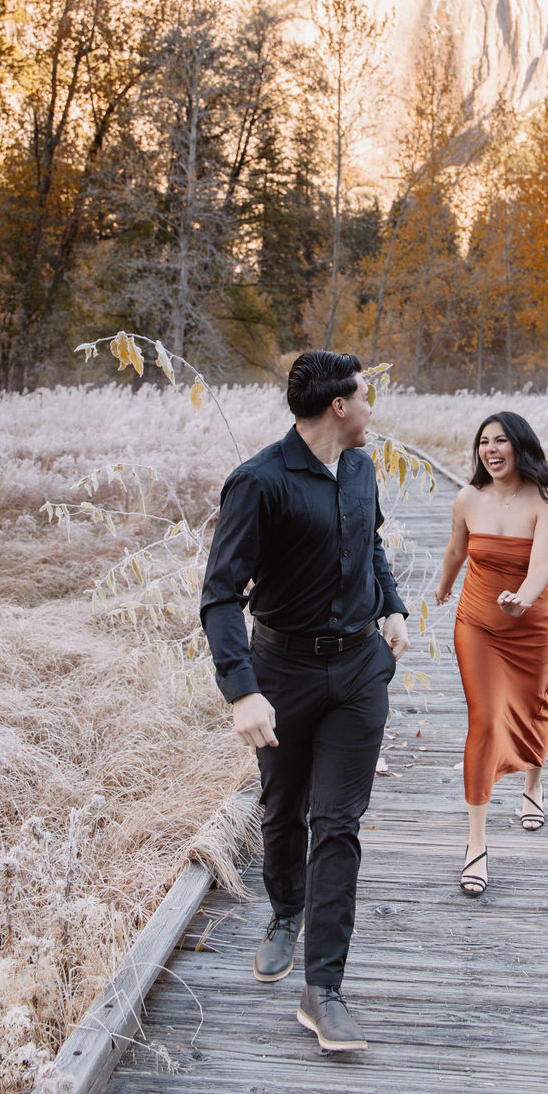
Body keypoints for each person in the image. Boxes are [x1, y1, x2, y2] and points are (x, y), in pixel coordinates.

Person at [200, 350, 409, 1051]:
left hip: (357, 673)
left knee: (339, 823)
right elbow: (220, 595)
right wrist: (242, 690)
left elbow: (372, 542)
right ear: (338, 407)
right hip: (281, 672)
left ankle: (324, 989)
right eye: (365, 395)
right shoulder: (258, 483)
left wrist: (394, 606)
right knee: (283, 809)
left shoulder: (359, 468)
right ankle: (283, 910)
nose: (373, 406)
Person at [435, 411, 548, 896]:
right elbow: (456, 549)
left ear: (520, 447)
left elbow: (540, 568)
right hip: (477, 625)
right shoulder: (468, 498)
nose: (490, 450)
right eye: (483, 443)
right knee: (486, 720)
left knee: (534, 703)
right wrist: (444, 587)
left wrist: (523, 599)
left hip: (531, 624)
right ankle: (475, 843)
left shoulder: (545, 501)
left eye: (501, 441)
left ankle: (532, 786)